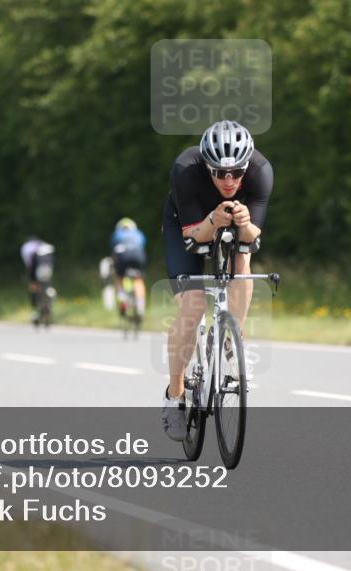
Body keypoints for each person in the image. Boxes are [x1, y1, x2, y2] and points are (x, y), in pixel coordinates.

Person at [159, 120, 274, 441]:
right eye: (219, 173)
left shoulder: (261, 171)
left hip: (234, 225)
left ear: (247, 166)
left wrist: (245, 222)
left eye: (236, 173)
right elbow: (193, 236)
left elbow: (253, 236)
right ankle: (175, 394)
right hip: (187, 223)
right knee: (192, 308)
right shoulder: (185, 169)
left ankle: (233, 341)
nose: (228, 180)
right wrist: (212, 219)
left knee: (243, 257)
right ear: (206, 167)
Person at [110, 217, 147, 325]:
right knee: (138, 279)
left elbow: (113, 253)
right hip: (138, 255)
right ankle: (140, 307)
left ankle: (122, 298)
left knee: (119, 277)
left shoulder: (116, 234)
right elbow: (142, 247)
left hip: (122, 254)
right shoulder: (139, 233)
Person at [20, 236, 55, 322]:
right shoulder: (44, 245)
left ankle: (35, 309)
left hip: (36, 267)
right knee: (46, 282)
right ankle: (49, 293)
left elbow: (29, 265)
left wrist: (31, 278)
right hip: (48, 266)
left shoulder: (26, 247)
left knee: (33, 287)